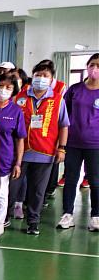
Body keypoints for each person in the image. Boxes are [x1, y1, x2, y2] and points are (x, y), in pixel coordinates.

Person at [9, 59, 70, 235]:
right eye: (37, 75)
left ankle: (33, 222)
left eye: (45, 75)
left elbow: (64, 125)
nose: (41, 78)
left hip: (45, 152)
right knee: (13, 188)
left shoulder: (57, 100)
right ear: (32, 76)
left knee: (38, 192)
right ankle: (4, 217)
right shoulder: (20, 96)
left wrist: (62, 148)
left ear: (52, 80)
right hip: (20, 153)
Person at [58, 53, 99, 231]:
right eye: (92, 65)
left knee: (96, 181)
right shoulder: (74, 90)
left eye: (98, 65)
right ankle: (67, 214)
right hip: (73, 143)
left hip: (95, 145)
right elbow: (63, 117)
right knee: (71, 179)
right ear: (87, 66)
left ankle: (96, 216)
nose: (95, 69)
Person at [0, 72, 26, 225]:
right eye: (0, 86)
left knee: (0, 194)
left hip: (3, 158)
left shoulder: (16, 111)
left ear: (13, 91)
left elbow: (20, 139)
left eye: (8, 87)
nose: (3, 89)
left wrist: (18, 163)